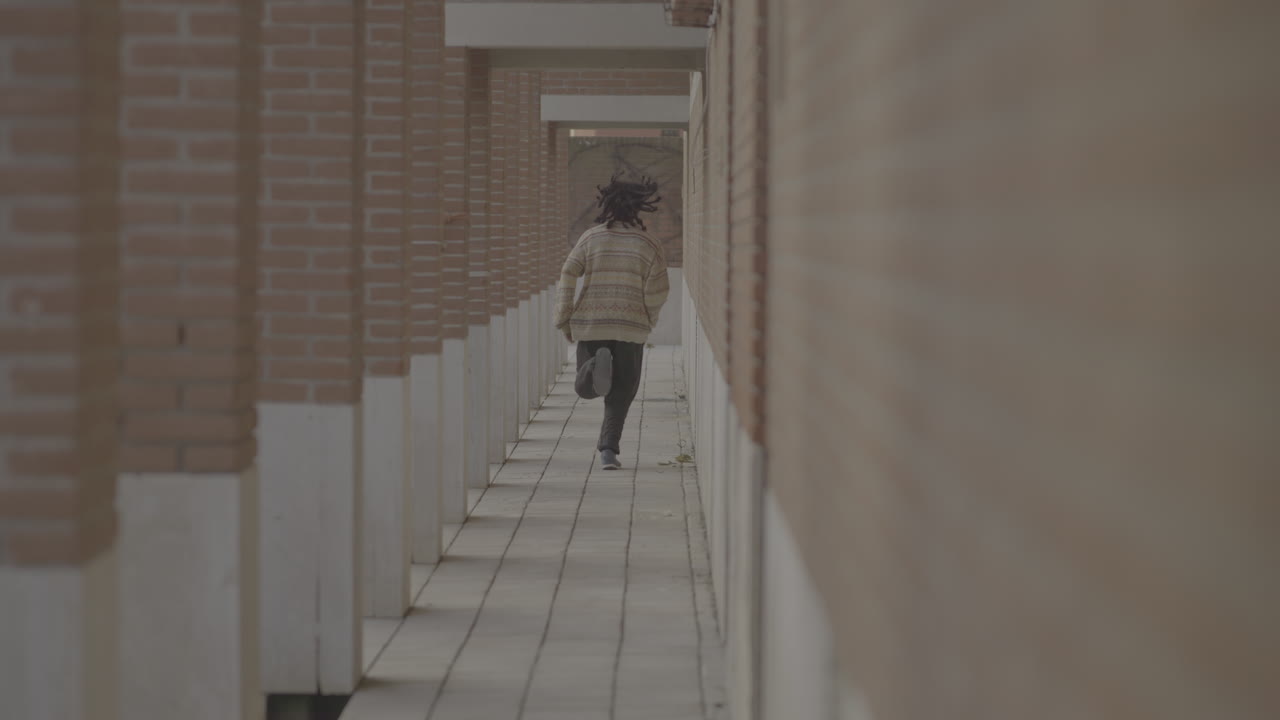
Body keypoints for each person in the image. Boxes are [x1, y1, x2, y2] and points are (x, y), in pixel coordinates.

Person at [555, 174, 669, 470]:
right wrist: (648, 318)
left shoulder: (591, 238)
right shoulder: (648, 243)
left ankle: (594, 366)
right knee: (622, 390)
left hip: (592, 322)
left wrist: (564, 317)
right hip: (630, 325)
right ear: (638, 208)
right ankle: (609, 449)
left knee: (586, 386)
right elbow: (658, 289)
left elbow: (568, 273)